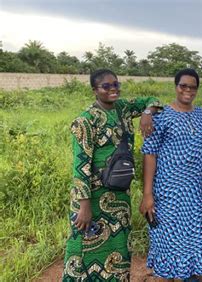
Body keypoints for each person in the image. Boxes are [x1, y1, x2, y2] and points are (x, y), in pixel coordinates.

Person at [63, 68, 162, 281]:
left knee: (118, 248)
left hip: (119, 196)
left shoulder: (124, 108)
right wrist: (85, 205)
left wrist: (146, 113)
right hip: (92, 196)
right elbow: (81, 166)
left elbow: (153, 100)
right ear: (94, 90)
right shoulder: (85, 121)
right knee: (83, 249)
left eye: (116, 84)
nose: (113, 89)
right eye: (106, 86)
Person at [140, 68, 202, 281]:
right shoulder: (161, 116)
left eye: (192, 87)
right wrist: (148, 194)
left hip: (196, 188)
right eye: (183, 86)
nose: (188, 90)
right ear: (176, 86)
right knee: (168, 233)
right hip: (169, 188)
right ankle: (169, 274)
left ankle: (189, 274)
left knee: (193, 233)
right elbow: (149, 154)